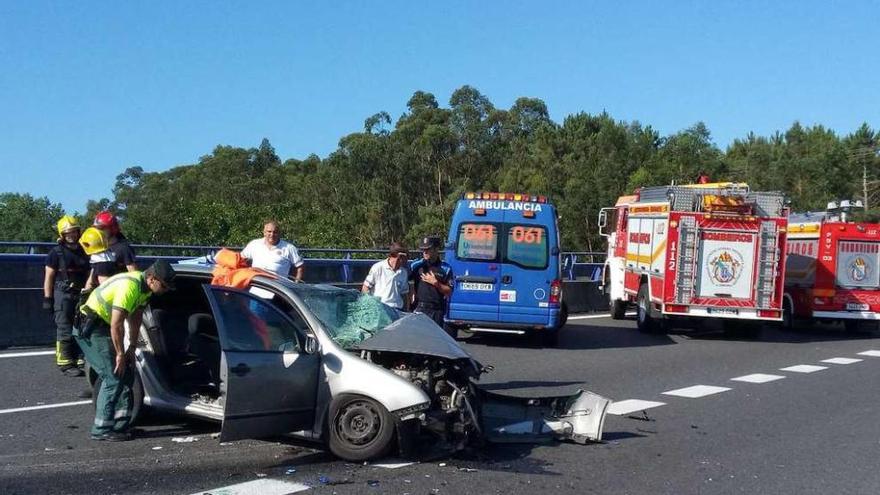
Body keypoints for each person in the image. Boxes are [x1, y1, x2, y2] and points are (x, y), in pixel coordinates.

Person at [73, 260, 175, 441]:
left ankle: (121, 425)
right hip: (91, 328)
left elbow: (135, 318)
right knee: (112, 376)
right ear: (152, 278)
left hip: (104, 326)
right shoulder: (130, 287)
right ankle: (101, 428)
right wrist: (120, 353)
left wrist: (132, 348)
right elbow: (116, 324)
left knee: (127, 373)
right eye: (165, 286)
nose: (166, 290)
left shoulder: (145, 290)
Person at [43, 216, 90, 376]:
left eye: (74, 232)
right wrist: (48, 299)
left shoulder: (85, 251)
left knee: (81, 328)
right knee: (64, 329)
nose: (72, 235)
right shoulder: (55, 253)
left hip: (82, 295)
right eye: (68, 233)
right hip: (63, 296)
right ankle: (65, 362)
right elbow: (49, 277)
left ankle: (79, 359)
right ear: (62, 234)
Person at [409, 236, 453, 329]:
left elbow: (449, 291)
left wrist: (436, 283)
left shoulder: (445, 268)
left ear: (436, 249)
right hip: (420, 308)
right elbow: (405, 280)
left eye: (428, 249)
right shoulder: (416, 265)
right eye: (423, 249)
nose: (425, 252)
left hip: (437, 311)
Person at [87, 211, 137, 289]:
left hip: (119, 291)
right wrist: (86, 290)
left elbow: (134, 274)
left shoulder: (124, 248)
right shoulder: (97, 248)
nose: (99, 232)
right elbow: (93, 273)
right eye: (97, 229)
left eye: (102, 228)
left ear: (112, 228)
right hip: (100, 292)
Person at [362, 242, 410, 310]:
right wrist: (368, 305)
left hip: (398, 309)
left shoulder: (403, 272)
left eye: (403, 259)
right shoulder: (378, 267)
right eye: (399, 258)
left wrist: (406, 311)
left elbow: (404, 294)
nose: (401, 261)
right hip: (380, 308)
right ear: (392, 256)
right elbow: (365, 287)